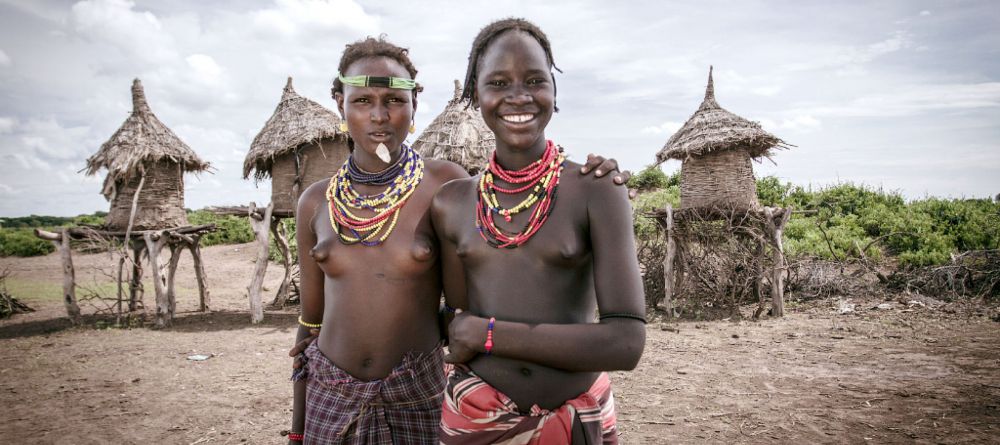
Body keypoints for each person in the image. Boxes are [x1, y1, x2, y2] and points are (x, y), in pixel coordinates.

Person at [288, 36, 630, 444]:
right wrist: (297, 429)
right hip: (332, 391)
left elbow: (463, 302)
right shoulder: (315, 201)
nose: (379, 115)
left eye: (394, 101)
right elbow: (310, 326)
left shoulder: (444, 185)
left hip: (418, 390)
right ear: (339, 102)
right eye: (362, 101)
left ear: (415, 104)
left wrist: (592, 174)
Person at [432, 18, 646, 444]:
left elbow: (626, 342)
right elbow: (459, 327)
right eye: (498, 82)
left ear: (554, 91)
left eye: (535, 80)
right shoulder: (452, 203)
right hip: (477, 419)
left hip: (576, 418)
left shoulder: (596, 190)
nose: (518, 96)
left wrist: (489, 335)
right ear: (476, 95)